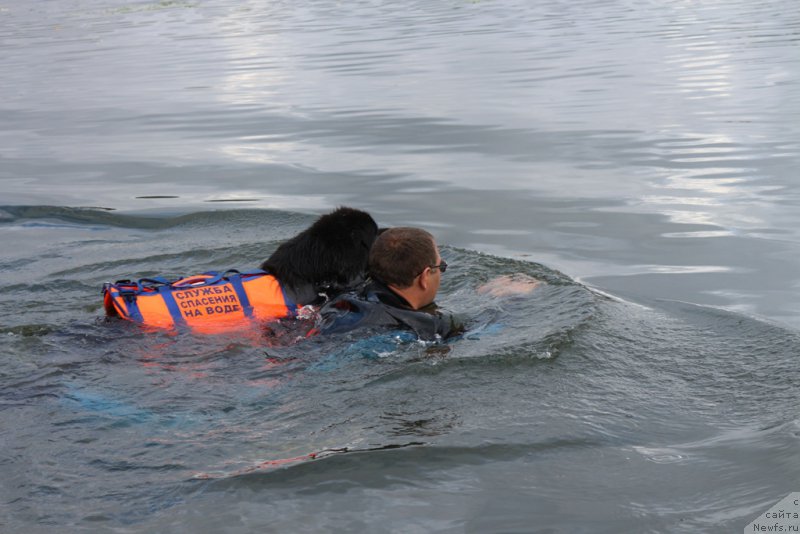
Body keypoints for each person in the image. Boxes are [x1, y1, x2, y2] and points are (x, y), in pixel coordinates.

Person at [315, 227, 464, 341]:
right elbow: (480, 331)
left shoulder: (344, 296)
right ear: (424, 277)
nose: (442, 270)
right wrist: (488, 298)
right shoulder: (429, 326)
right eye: (441, 266)